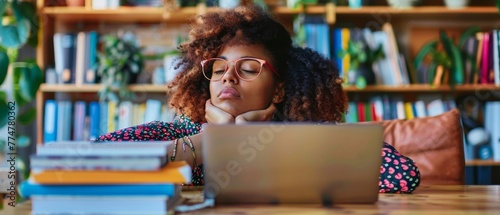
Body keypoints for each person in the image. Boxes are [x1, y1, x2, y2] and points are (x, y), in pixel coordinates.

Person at [95, 5, 420, 194]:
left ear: (278, 89)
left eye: (249, 68)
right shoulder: (177, 134)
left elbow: (402, 176)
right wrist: (205, 144)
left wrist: (264, 141)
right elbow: (91, 165)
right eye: (219, 68)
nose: (228, 77)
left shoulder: (305, 135)